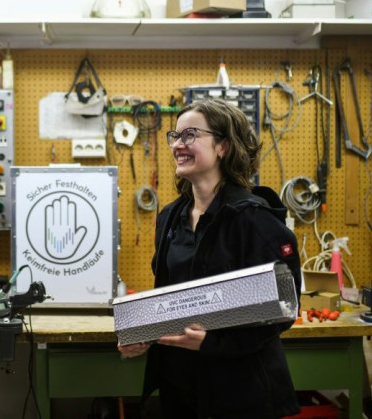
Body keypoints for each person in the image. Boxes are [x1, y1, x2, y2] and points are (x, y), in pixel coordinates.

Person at [118, 98, 301, 418]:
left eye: (190, 135)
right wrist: (143, 334)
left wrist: (212, 342)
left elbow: (283, 309)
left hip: (238, 391)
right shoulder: (170, 217)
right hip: (180, 388)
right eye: (174, 136)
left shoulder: (255, 219)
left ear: (223, 147)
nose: (177, 144)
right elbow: (176, 296)